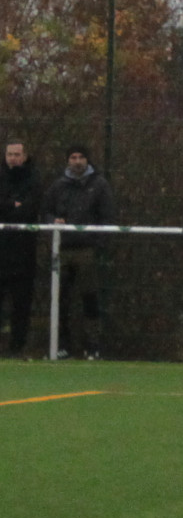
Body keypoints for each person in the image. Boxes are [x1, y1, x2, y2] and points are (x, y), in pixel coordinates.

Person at [42, 145, 115, 360]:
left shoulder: (99, 185)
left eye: (81, 157)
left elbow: (108, 217)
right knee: (60, 300)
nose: (77, 161)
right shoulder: (58, 186)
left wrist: (98, 244)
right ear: (67, 161)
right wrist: (52, 222)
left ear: (88, 160)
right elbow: (46, 212)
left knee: (90, 298)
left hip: (87, 250)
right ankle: (61, 346)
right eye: (73, 157)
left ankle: (93, 347)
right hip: (62, 249)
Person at [0, 140, 42, 358]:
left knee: (21, 306)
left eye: (17, 154)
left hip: (24, 254)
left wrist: (11, 207)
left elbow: (30, 209)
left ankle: (17, 348)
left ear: (25, 156)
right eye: (9, 154)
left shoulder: (34, 180)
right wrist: (12, 205)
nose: (13, 158)